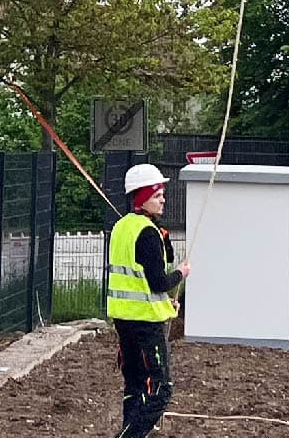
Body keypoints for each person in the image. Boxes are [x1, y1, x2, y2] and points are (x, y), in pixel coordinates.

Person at [107, 163, 189, 438]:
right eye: (157, 195)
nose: (163, 199)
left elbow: (139, 281)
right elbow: (157, 282)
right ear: (141, 197)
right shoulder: (147, 232)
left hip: (123, 319)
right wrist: (181, 273)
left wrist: (167, 304)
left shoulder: (121, 227)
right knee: (159, 390)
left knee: (135, 386)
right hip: (144, 324)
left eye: (162, 194)